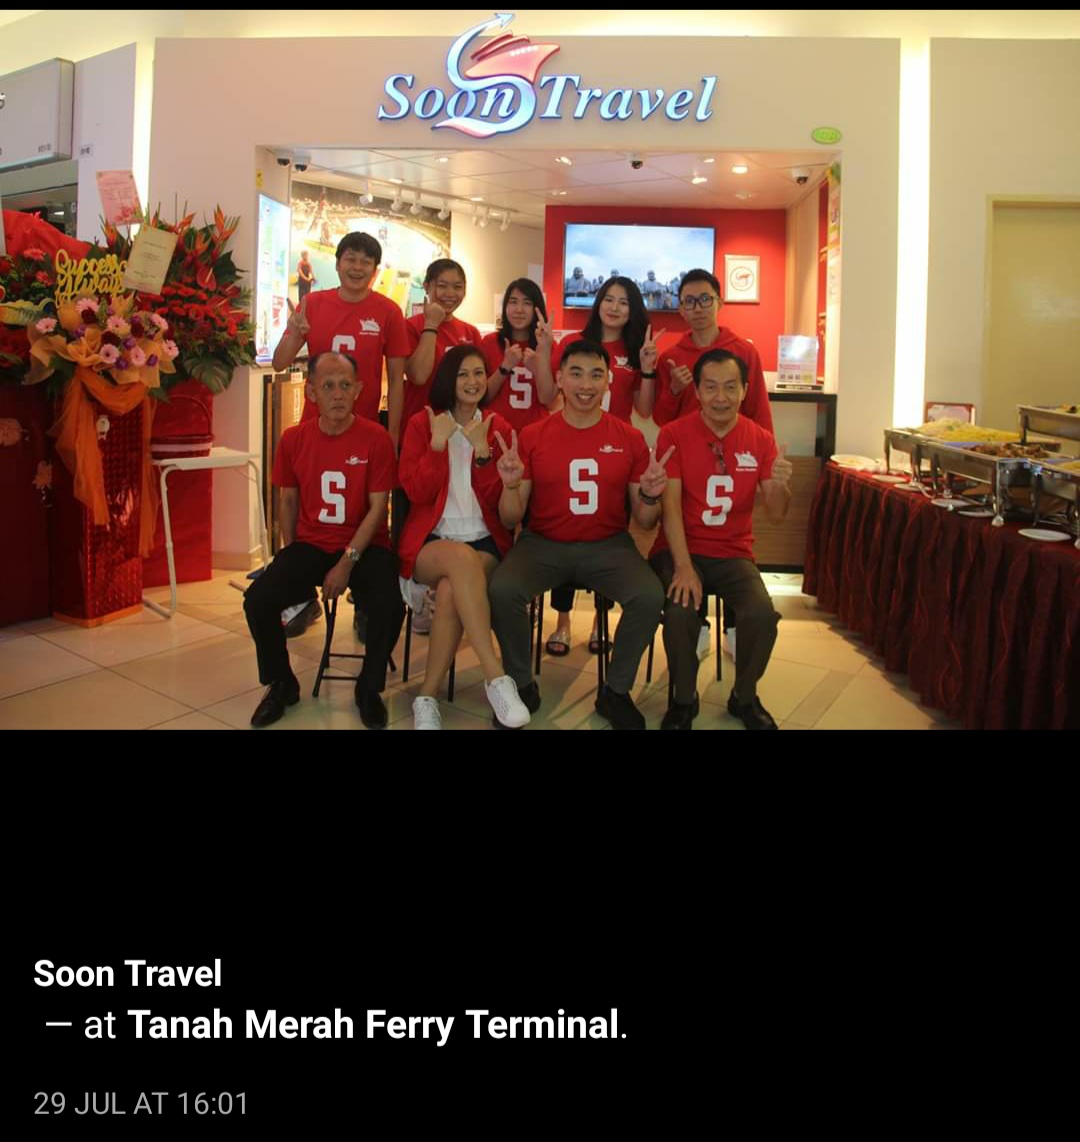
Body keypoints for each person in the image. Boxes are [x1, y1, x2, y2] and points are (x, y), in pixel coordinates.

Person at [488, 340, 669, 731]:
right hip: (543, 542)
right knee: (502, 589)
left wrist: (651, 494)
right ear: (559, 379)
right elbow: (510, 517)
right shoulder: (533, 435)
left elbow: (644, 520)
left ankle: (616, 691)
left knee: (649, 595)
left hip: (608, 545)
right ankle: (520, 684)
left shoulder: (629, 438)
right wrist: (510, 485)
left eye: (596, 375)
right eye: (576, 373)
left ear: (608, 382)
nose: (586, 384)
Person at [243, 352, 405, 729]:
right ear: (311, 392)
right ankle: (282, 683)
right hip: (312, 543)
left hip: (365, 545)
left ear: (359, 390)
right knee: (258, 599)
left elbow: (378, 510)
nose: (337, 394)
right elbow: (288, 502)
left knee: (389, 604)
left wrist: (347, 563)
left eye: (345, 385)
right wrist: (290, 560)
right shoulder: (293, 439)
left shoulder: (376, 438)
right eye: (328, 386)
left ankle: (368, 688)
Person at [650, 349, 791, 730]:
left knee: (761, 615)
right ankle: (683, 699)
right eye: (710, 387)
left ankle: (744, 697)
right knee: (680, 612)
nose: (721, 397)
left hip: (733, 553)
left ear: (745, 390)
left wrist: (779, 485)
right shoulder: (673, 434)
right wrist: (683, 567)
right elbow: (670, 509)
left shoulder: (761, 440)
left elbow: (777, 513)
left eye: (731, 387)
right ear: (696, 391)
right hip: (679, 550)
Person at [397, 346, 530, 731]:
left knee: (451, 590)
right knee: (458, 559)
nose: (473, 382)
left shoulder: (499, 427)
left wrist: (484, 454)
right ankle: (496, 677)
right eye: (463, 374)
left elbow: (502, 511)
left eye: (479, 373)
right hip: (432, 542)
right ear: (448, 380)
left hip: (485, 542)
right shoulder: (423, 424)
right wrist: (437, 446)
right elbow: (416, 492)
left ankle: (426, 698)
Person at [654, 268, 776, 663]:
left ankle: (734, 627)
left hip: (733, 463)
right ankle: (699, 624)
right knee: (687, 537)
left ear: (719, 302)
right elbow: (661, 417)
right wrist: (675, 390)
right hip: (686, 464)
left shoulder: (744, 351)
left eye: (705, 299)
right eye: (689, 301)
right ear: (680, 308)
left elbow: (758, 413)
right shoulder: (671, 356)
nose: (698, 308)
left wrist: (763, 463)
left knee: (731, 542)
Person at [545, 277, 660, 658]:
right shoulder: (574, 343)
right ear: (597, 303)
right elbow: (550, 395)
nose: (614, 307)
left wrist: (647, 369)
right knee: (564, 530)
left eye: (623, 302)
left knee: (611, 539)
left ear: (633, 310)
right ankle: (562, 622)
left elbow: (644, 409)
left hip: (615, 456)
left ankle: (599, 621)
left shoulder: (636, 350)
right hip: (570, 449)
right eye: (608, 299)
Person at [399, 259, 483, 633]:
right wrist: (431, 325)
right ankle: (417, 592)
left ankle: (446, 595)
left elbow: (478, 387)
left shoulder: (469, 332)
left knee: (454, 509)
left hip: (459, 439)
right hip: (423, 435)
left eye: (457, 286)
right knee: (418, 514)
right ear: (428, 287)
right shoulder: (412, 326)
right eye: (442, 285)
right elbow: (417, 374)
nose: (450, 293)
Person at [273, 232, 409, 430]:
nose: (357, 267)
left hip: (365, 428)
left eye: (366, 262)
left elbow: (396, 381)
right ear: (337, 264)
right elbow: (279, 364)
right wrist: (294, 334)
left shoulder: (389, 312)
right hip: (315, 427)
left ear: (374, 270)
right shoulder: (311, 304)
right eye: (351, 259)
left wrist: (393, 436)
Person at [479, 278, 558, 436]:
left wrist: (539, 368)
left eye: (527, 303)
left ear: (537, 308)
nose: (519, 310)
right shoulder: (489, 342)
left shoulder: (548, 346)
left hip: (536, 434)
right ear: (505, 307)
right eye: (513, 302)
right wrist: (504, 367)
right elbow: (482, 397)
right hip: (495, 432)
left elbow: (548, 400)